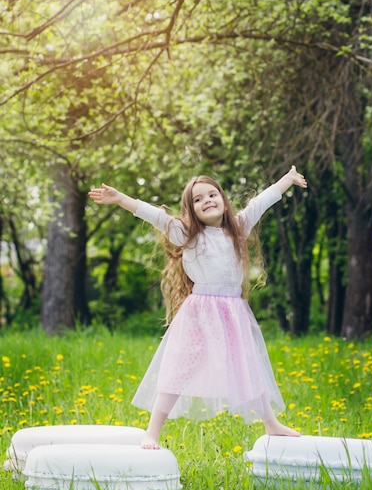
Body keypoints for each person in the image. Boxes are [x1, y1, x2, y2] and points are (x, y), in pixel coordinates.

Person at [89, 166, 307, 449]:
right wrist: (120, 199)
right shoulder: (187, 234)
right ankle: (151, 433)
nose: (207, 201)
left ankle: (271, 424)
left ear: (223, 199)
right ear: (191, 210)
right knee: (179, 368)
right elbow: (156, 216)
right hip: (200, 312)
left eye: (212, 194)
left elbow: (261, 202)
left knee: (248, 365)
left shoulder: (238, 227)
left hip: (233, 312)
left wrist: (287, 180)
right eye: (198, 199)